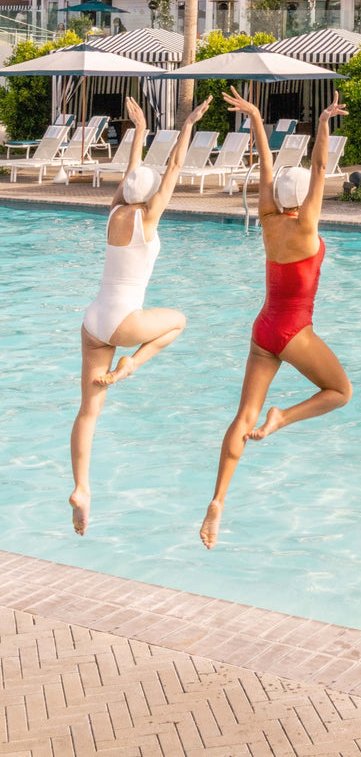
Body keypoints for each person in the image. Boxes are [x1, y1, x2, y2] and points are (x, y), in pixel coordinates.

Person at [199, 93, 352, 550]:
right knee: (340, 392)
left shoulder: (268, 219)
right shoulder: (307, 227)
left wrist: (255, 119)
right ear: (303, 200)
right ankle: (283, 417)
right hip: (291, 332)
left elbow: (265, 163)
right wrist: (323, 121)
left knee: (241, 416)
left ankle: (218, 500)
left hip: (263, 328)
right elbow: (322, 169)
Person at [70, 94, 211, 535]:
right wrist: (186, 126)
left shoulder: (114, 211)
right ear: (149, 196)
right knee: (179, 320)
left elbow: (135, 173)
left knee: (88, 412)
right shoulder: (148, 220)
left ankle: (81, 488)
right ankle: (132, 365)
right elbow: (173, 170)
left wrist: (140, 129)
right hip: (124, 321)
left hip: (93, 320)